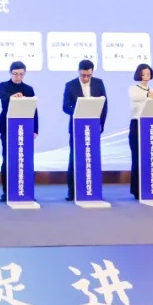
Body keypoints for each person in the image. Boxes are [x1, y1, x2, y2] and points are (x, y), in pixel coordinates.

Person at [61, 59, 108, 201]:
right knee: (74, 158)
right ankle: (72, 191)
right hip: (76, 127)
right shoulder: (70, 85)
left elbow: (104, 105)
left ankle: (93, 188)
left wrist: (101, 123)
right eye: (83, 75)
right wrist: (78, 111)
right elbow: (65, 106)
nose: (86, 78)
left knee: (92, 157)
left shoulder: (99, 83)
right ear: (78, 72)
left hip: (93, 128)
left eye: (89, 75)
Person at [0, 60, 38, 202]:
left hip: (25, 128)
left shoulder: (28, 89)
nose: (18, 77)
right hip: (7, 127)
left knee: (25, 159)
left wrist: (35, 129)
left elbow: (34, 109)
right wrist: (12, 97)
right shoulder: (4, 86)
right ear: (10, 73)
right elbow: (0, 95)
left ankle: (25, 189)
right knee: (7, 159)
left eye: (21, 74)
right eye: (16, 74)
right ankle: (6, 191)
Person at [128, 63, 153, 199]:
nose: (146, 77)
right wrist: (148, 94)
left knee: (150, 157)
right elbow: (135, 97)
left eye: (148, 74)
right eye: (143, 74)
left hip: (150, 125)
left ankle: (150, 187)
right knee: (137, 157)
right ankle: (137, 190)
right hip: (137, 125)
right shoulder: (133, 89)